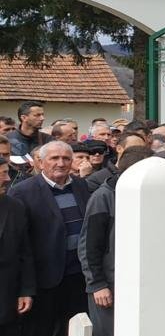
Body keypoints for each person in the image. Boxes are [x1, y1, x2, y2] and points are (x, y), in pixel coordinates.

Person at [8, 141, 90, 336]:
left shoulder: (81, 185)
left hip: (78, 277)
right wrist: (25, 287)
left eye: (66, 158)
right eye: (54, 158)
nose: (61, 163)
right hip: (43, 281)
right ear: (40, 162)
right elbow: (19, 243)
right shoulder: (22, 192)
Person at [77, 146, 155, 336]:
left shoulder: (148, 193)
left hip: (141, 283)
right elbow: (89, 245)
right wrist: (97, 284)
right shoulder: (103, 197)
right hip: (109, 285)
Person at [0, 155, 35, 336]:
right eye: (2, 174)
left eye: (7, 173)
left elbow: (25, 253)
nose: (7, 179)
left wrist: (26, 290)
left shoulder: (15, 207)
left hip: (6, 301)